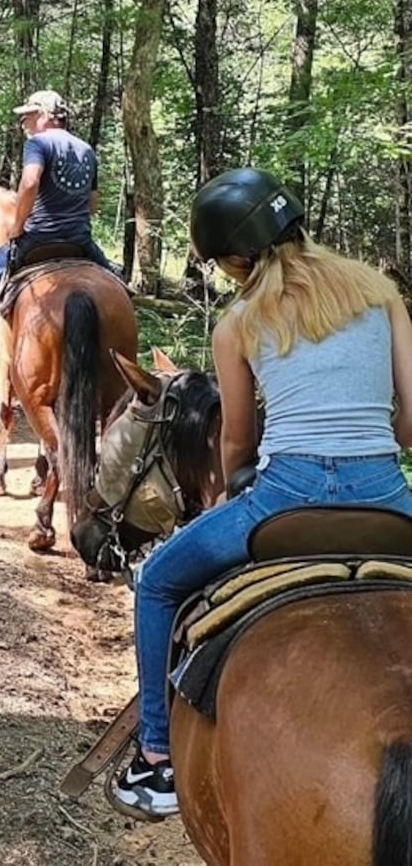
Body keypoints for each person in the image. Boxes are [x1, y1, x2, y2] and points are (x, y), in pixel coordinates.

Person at [115, 167, 412, 818]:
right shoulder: (379, 293)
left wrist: (229, 493)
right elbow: (411, 421)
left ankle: (158, 759)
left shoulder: (240, 321)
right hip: (389, 499)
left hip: (287, 496)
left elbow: (238, 444)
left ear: (235, 259)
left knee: (160, 581)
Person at [0, 89, 120, 375]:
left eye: (29, 116)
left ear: (46, 116)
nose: (24, 123)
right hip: (80, 240)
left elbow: (31, 182)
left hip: (39, 238)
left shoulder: (38, 144)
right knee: (117, 285)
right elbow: (93, 203)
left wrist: (18, 226)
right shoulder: (86, 149)